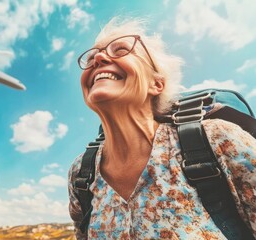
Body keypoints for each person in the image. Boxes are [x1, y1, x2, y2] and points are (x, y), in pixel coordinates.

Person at [67, 17, 256, 239]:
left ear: (156, 84)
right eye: (91, 58)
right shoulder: (81, 173)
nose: (98, 58)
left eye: (120, 50)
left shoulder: (219, 139)